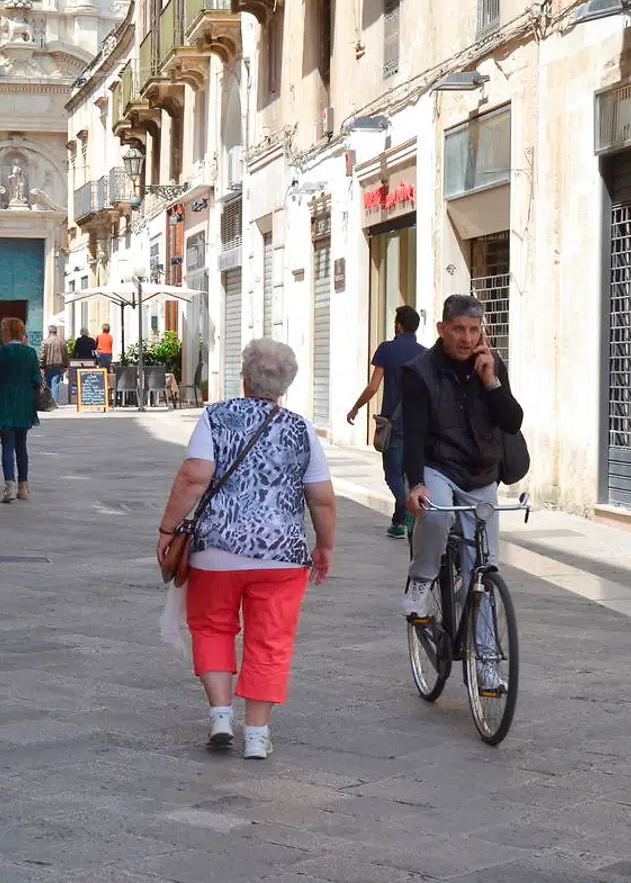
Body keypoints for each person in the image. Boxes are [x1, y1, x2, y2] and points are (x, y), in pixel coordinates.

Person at [155, 339, 335, 760]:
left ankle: (221, 716)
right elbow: (322, 498)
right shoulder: (300, 428)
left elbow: (193, 477)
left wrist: (167, 529)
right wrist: (325, 545)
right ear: (285, 384)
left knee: (213, 627)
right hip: (282, 554)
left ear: (244, 377)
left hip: (216, 549)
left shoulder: (215, 417)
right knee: (269, 640)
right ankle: (256, 735)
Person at [399, 295, 524, 692]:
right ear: (442, 329)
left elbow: (512, 420)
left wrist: (491, 381)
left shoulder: (490, 363)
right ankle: (421, 582)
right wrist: (416, 484)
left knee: (483, 572)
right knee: (434, 515)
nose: (468, 338)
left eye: (474, 329)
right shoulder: (418, 371)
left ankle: (486, 664)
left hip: (482, 474)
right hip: (440, 466)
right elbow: (414, 435)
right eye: (459, 329)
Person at [346, 306, 425, 539]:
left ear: (398, 325)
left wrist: (356, 408)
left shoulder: (387, 350)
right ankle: (399, 521)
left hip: (394, 422)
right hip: (418, 424)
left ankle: (408, 511)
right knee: (409, 473)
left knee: (392, 473)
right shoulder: (425, 353)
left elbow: (373, 387)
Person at [0, 317, 42, 504]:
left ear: (6, 332)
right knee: (21, 445)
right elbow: (37, 380)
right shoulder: (30, 353)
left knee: (7, 445)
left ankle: (9, 485)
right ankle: (24, 486)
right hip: (24, 404)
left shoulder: (1, 352)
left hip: (5, 403)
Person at [39, 325, 68, 401]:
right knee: (55, 382)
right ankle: (54, 401)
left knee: (49, 383)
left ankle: (50, 401)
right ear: (56, 331)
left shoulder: (45, 341)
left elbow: (42, 355)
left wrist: (41, 366)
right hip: (59, 364)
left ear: (49, 331)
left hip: (48, 364)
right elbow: (65, 354)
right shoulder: (62, 341)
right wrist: (66, 365)